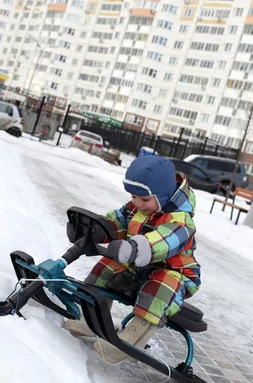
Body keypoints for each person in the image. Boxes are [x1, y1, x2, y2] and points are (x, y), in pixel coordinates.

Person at [63, 155, 201, 363]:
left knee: (160, 286)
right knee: (106, 267)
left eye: (144, 199)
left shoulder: (181, 220)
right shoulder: (137, 206)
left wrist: (136, 248)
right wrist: (96, 231)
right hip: (139, 268)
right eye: (133, 197)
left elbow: (163, 241)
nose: (137, 204)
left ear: (163, 195)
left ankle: (130, 340)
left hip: (176, 275)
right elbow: (117, 222)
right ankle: (88, 318)